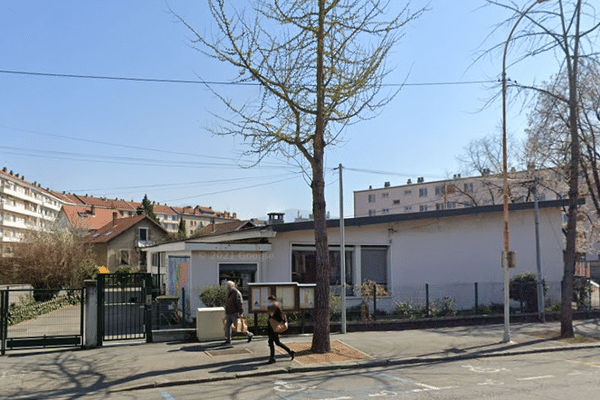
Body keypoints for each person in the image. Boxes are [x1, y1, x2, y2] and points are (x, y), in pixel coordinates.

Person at [266, 295, 295, 364]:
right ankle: (290, 352)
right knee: (277, 342)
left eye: (270, 301)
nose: (269, 302)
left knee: (271, 342)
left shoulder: (277, 308)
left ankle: (272, 358)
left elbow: (280, 318)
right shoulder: (271, 308)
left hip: (274, 328)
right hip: (271, 327)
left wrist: (272, 317)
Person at [223, 280, 253, 345]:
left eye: (229, 286)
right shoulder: (229, 293)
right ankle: (228, 340)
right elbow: (227, 303)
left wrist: (240, 312)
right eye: (227, 286)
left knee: (239, 327)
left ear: (232, 286)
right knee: (227, 327)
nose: (227, 287)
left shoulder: (236, 293)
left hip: (235, 313)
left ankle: (248, 334)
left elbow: (240, 303)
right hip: (229, 313)